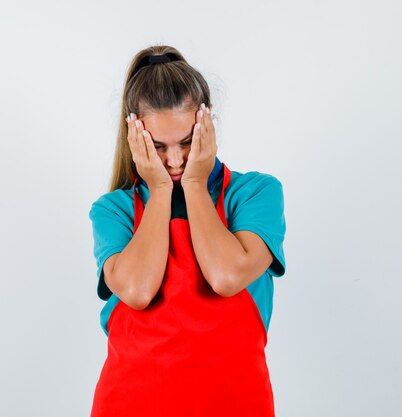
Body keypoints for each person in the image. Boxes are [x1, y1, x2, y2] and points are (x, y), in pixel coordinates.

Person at [88, 45, 287, 417]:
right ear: (135, 137)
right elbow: (137, 290)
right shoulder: (112, 211)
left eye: (187, 141)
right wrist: (161, 190)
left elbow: (227, 276)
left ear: (207, 125)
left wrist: (195, 184)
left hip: (235, 404)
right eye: (158, 146)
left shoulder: (255, 194)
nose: (176, 160)